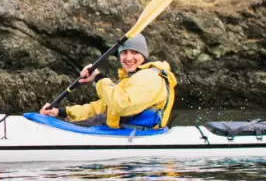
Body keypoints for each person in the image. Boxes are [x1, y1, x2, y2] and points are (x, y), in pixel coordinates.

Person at [39, 34, 177, 129]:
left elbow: (122, 106)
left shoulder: (150, 77)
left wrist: (99, 78)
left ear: (144, 55)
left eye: (135, 52)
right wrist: (60, 112)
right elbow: (99, 108)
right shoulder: (130, 79)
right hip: (120, 133)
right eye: (124, 53)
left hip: (139, 137)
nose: (128, 58)